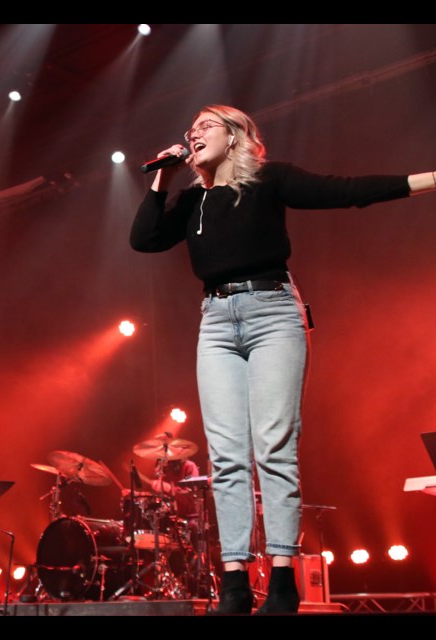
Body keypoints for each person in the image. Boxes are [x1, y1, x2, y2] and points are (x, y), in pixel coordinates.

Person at [129, 105, 436, 614]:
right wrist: (161, 176)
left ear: (236, 136)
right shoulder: (190, 200)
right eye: (191, 128)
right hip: (216, 320)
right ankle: (232, 579)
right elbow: (144, 240)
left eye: (206, 126)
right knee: (225, 456)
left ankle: (282, 576)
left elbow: (348, 191)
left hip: (273, 312)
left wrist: (428, 179)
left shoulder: (270, 179)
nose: (193, 133)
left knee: (274, 446)